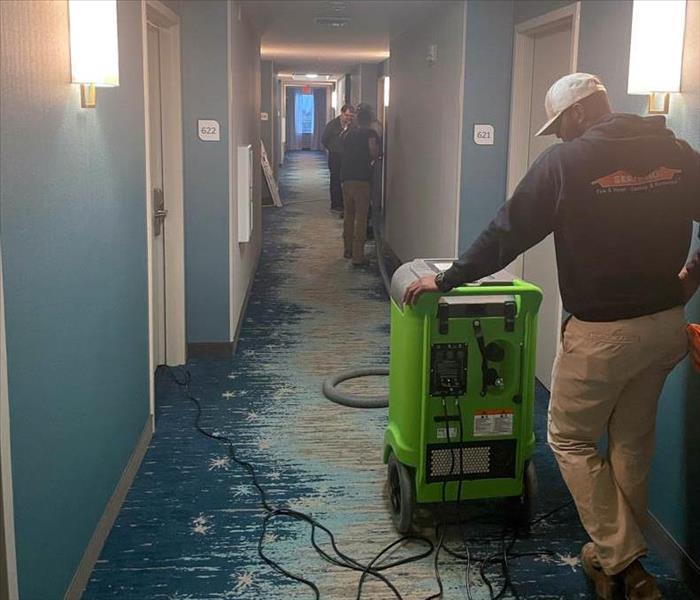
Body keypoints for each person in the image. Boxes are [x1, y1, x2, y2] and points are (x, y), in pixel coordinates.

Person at [404, 73, 700, 600]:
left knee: (569, 438)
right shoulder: (677, 151)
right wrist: (692, 277)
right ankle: (615, 563)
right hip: (664, 328)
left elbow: (507, 232)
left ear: (580, 113)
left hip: (601, 334)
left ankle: (624, 560)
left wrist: (446, 279)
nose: (561, 136)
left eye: (561, 125)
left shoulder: (566, 163)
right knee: (632, 443)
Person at [340, 107, 380, 265]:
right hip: (362, 180)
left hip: (346, 178)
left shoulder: (348, 134)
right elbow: (373, 153)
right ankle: (358, 256)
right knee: (361, 218)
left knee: (348, 215)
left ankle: (348, 250)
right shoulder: (371, 134)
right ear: (370, 121)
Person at [322, 104, 354, 214]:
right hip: (335, 156)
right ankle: (336, 204)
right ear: (341, 113)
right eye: (346, 115)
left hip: (348, 157)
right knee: (335, 179)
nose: (348, 118)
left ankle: (346, 203)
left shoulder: (353, 126)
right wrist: (332, 148)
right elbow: (324, 139)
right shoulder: (332, 125)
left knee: (346, 180)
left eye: (351, 116)